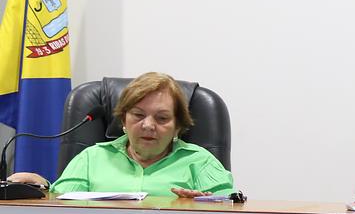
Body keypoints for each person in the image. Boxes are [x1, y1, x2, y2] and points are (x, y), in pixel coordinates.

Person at [8, 72, 235, 197]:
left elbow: (233, 211)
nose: (148, 125)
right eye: (138, 115)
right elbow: (62, 204)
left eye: (162, 118)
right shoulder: (92, 158)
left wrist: (204, 205)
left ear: (178, 127)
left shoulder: (199, 162)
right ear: (123, 121)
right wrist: (42, 188)